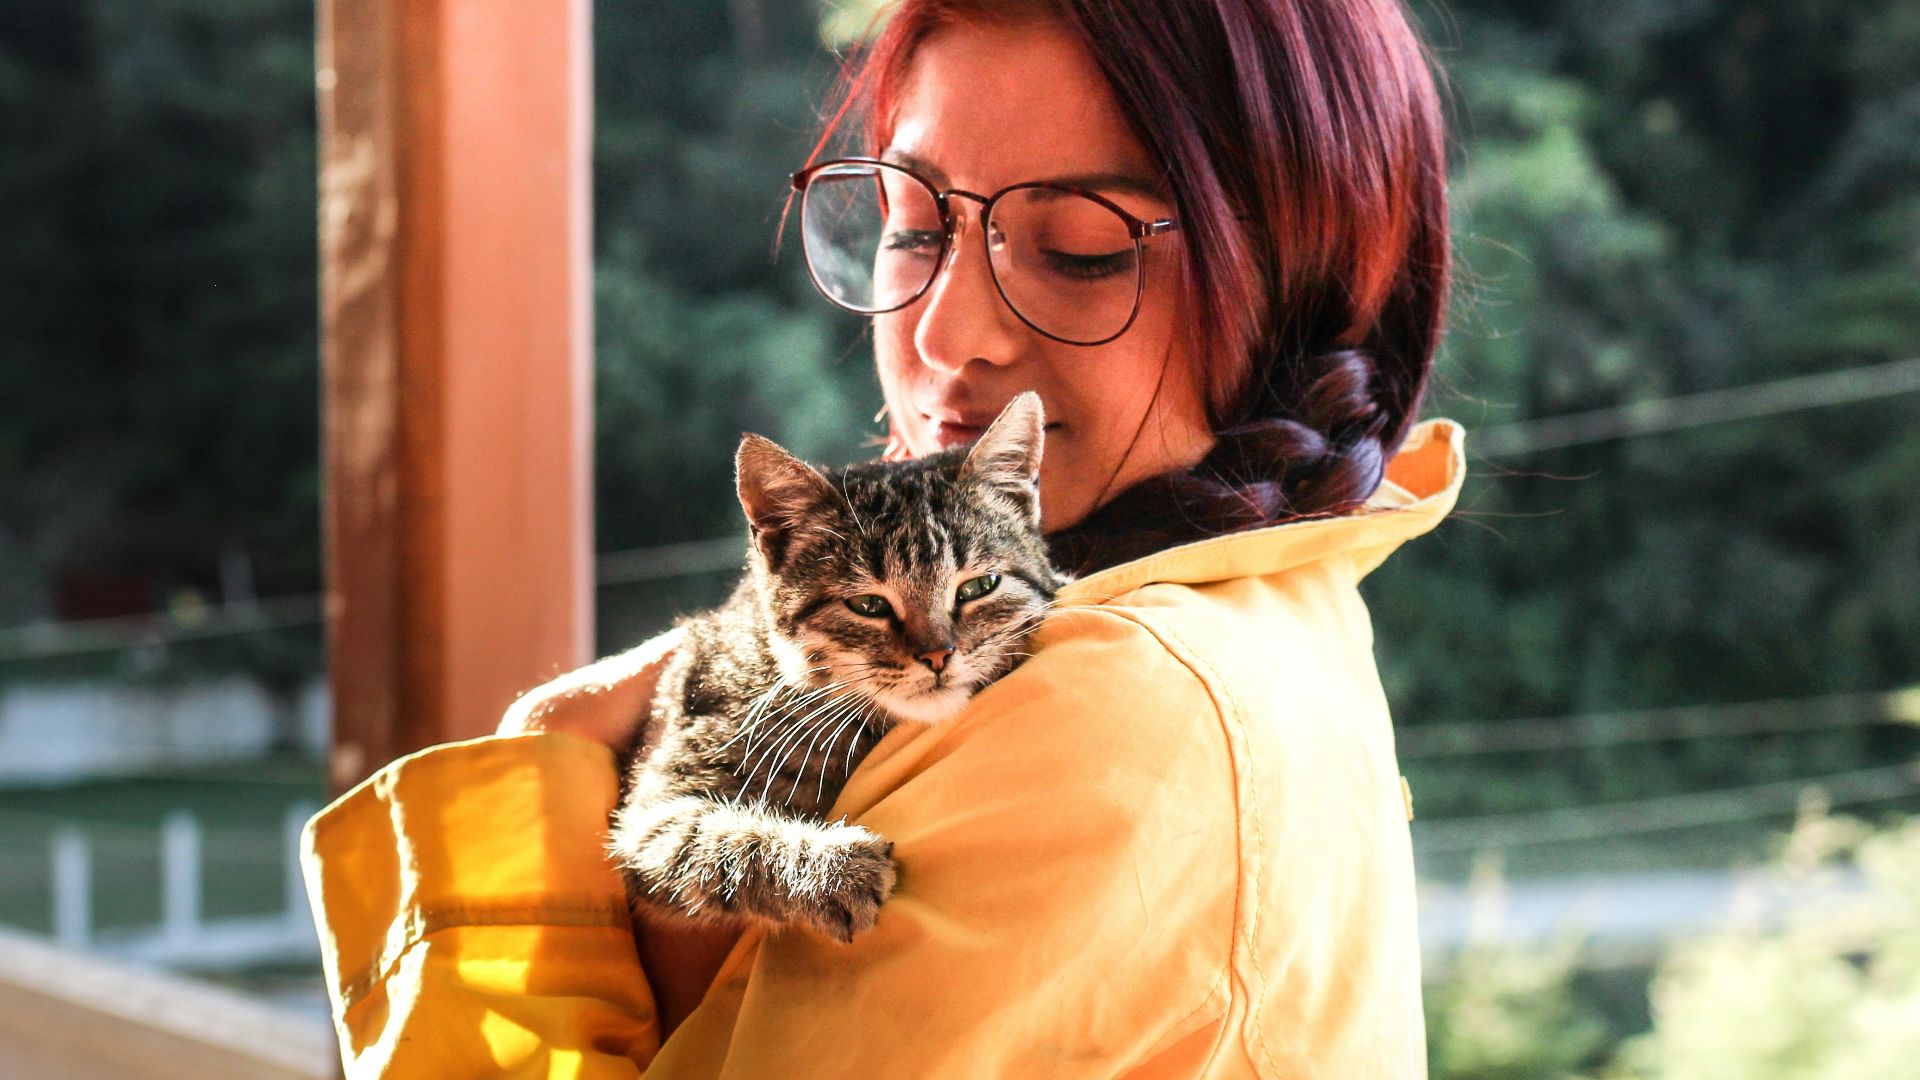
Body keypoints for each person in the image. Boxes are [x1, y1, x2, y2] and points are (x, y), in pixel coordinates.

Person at [302, 0, 1464, 1075]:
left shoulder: (1114, 703)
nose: (948, 337)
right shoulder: (1287, 597)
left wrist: (529, 788)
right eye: (912, 228)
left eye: (1079, 249)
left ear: (1302, 282)